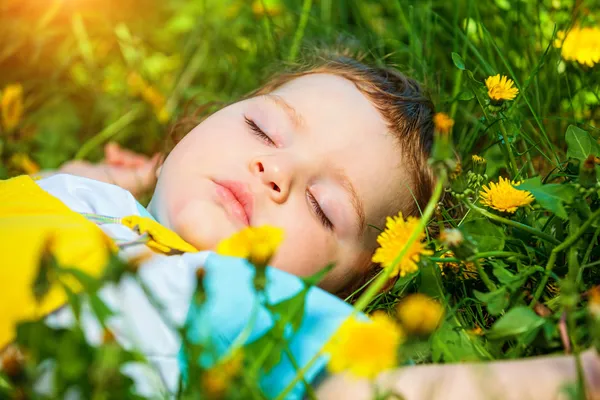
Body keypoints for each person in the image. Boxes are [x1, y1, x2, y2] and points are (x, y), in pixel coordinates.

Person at [0, 53, 435, 398]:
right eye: (261, 129)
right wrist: (112, 178)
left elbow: (387, 388)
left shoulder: (235, 305)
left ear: (347, 285)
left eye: (322, 207)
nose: (275, 169)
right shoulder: (91, 196)